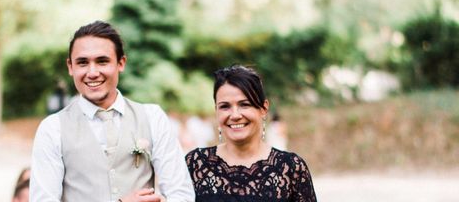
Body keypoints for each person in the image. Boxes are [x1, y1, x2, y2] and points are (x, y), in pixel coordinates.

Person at [30, 20, 194, 202]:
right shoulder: (52, 129)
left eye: (102, 61)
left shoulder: (152, 118)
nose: (92, 72)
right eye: (82, 63)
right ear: (71, 67)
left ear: (121, 63)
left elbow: (182, 194)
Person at [186, 65, 317, 201]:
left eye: (244, 104)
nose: (235, 115)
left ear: (264, 109)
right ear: (216, 111)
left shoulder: (291, 168)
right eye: (225, 106)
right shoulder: (195, 164)